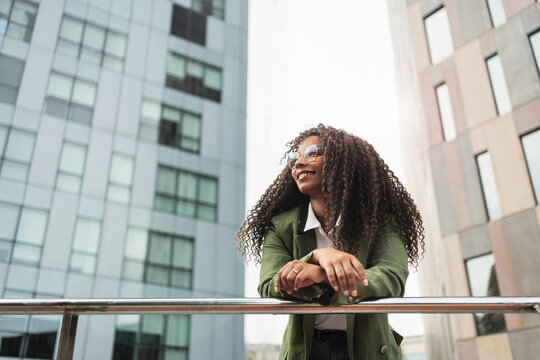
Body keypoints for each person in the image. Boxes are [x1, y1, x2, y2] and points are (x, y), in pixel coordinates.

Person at [236, 124, 425, 360]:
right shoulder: (280, 226)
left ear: (341, 161)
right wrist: (316, 257)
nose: (298, 163)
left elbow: (391, 278)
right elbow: (268, 286)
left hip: (368, 351)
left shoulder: (379, 220)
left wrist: (324, 275)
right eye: (295, 157)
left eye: (312, 153)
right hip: (306, 352)